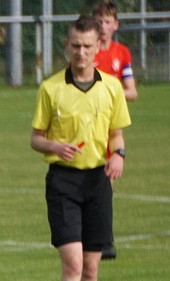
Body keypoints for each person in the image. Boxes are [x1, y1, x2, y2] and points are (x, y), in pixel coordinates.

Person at [30, 15, 130, 281]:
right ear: (66, 46)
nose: (81, 52)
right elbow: (35, 138)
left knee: (91, 268)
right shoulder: (51, 88)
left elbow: (117, 134)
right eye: (75, 46)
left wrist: (118, 155)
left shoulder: (112, 88)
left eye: (87, 46)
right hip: (63, 182)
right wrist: (55, 147)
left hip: (98, 184)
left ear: (98, 46)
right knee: (72, 262)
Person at [92, 0, 137, 260]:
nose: (103, 26)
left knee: (105, 183)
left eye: (107, 22)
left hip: (112, 127)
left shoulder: (122, 53)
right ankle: (99, 240)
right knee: (94, 183)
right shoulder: (88, 53)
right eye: (98, 22)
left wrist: (111, 89)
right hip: (90, 125)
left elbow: (132, 91)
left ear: (116, 25)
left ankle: (104, 240)